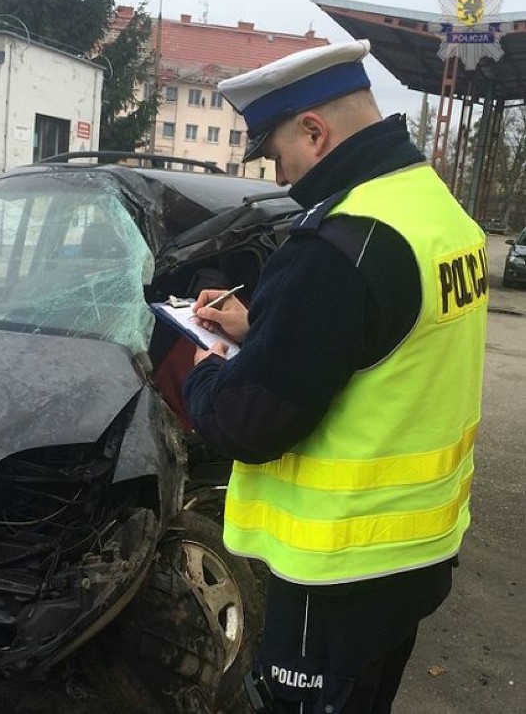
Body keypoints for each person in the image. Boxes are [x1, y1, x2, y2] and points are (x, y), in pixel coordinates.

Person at [182, 39, 488, 714]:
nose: (282, 174)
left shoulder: (338, 245)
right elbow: (382, 338)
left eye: (278, 152)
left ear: (314, 132)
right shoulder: (432, 207)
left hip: (340, 565)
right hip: (417, 553)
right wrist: (262, 324)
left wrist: (203, 373)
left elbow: (251, 422)